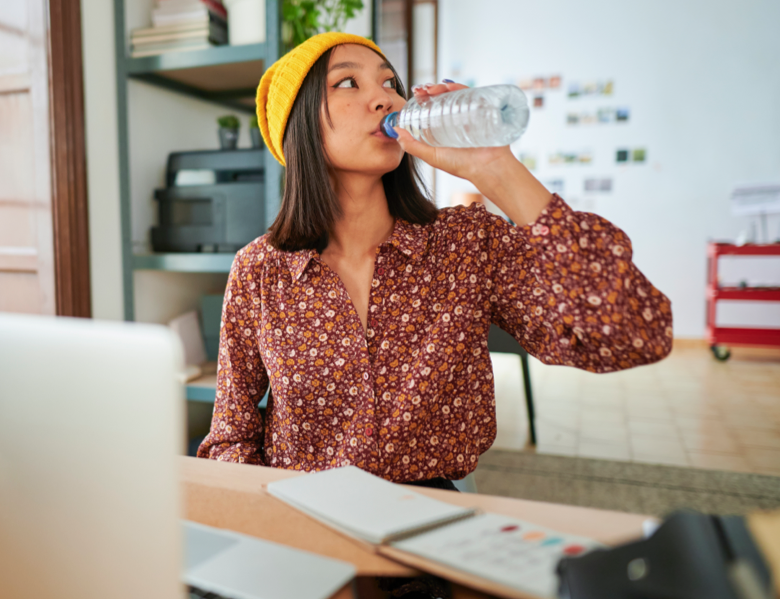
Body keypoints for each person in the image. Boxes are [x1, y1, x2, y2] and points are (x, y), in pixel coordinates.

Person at [196, 32, 673, 491]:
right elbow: (231, 438)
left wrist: (497, 169)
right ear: (298, 124)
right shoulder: (260, 270)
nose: (385, 99)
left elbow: (634, 334)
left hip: (432, 523)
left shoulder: (465, 243)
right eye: (348, 83)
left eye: (390, 83)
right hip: (304, 524)